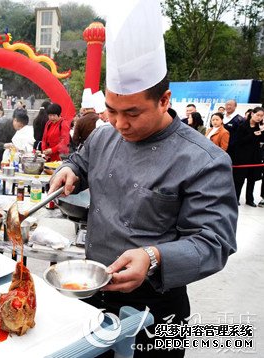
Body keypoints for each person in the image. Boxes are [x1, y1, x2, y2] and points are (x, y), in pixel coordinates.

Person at [49, 1, 237, 357]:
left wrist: (153, 257)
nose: (120, 124)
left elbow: (214, 242)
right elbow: (80, 161)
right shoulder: (103, 136)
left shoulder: (204, 160)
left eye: (133, 113)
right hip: (90, 298)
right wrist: (68, 170)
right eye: (113, 111)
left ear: (165, 100)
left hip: (158, 308)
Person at [231, 107, 264, 206]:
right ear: (252, 114)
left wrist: (262, 132)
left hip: (254, 157)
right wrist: (253, 135)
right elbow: (238, 142)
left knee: (252, 180)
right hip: (242, 157)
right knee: (239, 180)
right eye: (257, 115)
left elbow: (261, 141)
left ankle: (249, 199)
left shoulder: (260, 127)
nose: (259, 118)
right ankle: (236, 198)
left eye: (261, 116)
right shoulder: (242, 126)